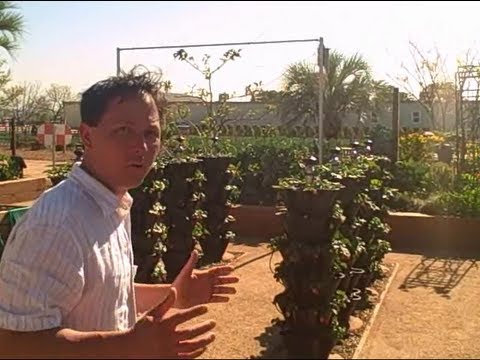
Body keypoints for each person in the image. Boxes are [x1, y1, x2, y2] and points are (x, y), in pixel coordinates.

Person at [0, 70, 239, 358]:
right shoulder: (56, 224)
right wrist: (127, 347)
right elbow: (13, 344)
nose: (141, 147)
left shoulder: (112, 204)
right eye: (123, 130)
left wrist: (174, 294)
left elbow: (107, 293)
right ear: (87, 136)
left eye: (151, 133)